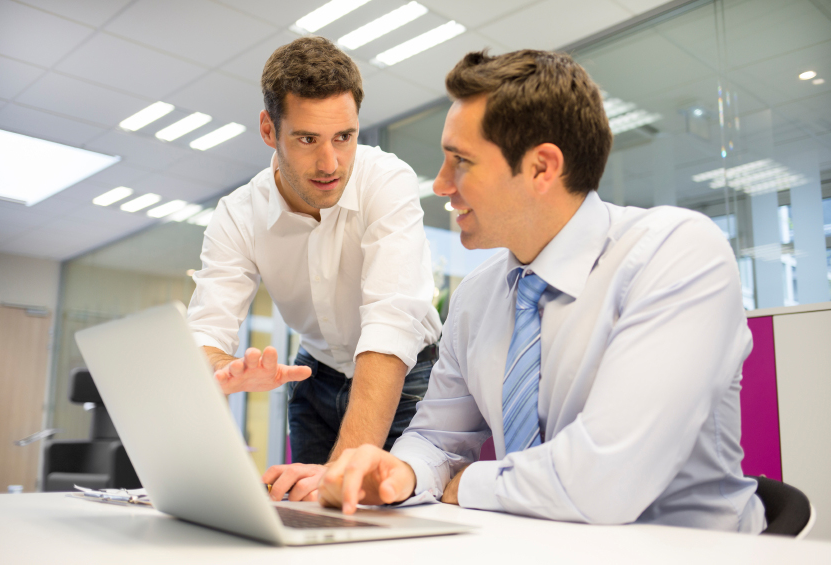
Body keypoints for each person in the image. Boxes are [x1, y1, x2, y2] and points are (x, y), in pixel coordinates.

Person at [316, 49, 766, 533]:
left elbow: (603, 482)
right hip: (540, 545)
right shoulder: (478, 295)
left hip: (690, 551)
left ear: (541, 168)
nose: (443, 185)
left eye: (460, 161)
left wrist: (468, 482)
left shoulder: (676, 254)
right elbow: (437, 439)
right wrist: (399, 472)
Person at [187, 36, 442, 501]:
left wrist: (337, 474)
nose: (330, 164)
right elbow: (204, 333)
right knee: (310, 517)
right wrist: (225, 369)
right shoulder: (238, 213)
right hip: (315, 379)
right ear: (269, 130)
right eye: (307, 139)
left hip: (407, 378)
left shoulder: (386, 180)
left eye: (344, 137)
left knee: (391, 515)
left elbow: (390, 326)